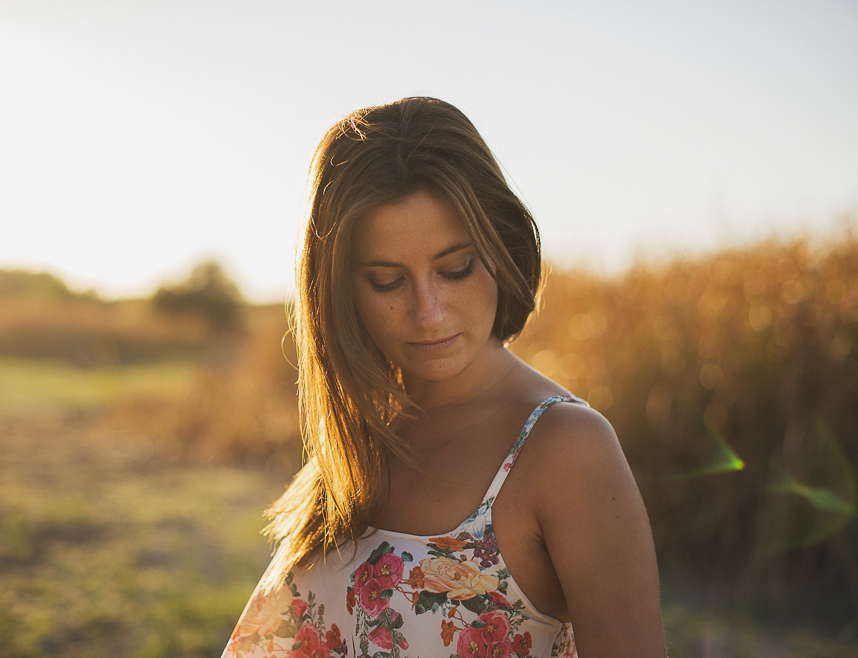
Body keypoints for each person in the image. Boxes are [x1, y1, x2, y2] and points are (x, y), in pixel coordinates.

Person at [222, 97, 666, 657]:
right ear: (337, 291)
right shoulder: (365, 431)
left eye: (455, 269)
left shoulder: (565, 449)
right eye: (387, 280)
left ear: (500, 248)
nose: (428, 312)